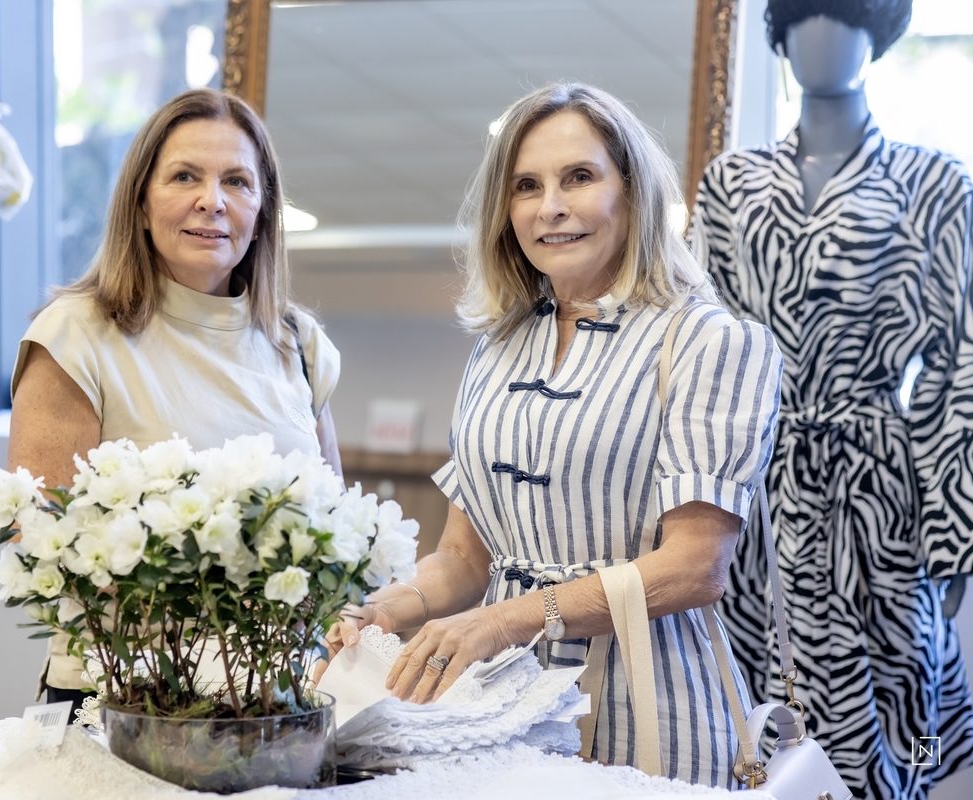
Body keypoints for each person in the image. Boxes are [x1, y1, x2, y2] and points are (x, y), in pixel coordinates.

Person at [318, 82, 782, 787]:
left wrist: (501, 621)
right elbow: (463, 559)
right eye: (527, 186)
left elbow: (695, 568)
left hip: (655, 711)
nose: (550, 207)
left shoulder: (710, 341)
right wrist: (380, 610)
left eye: (579, 177)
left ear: (632, 192)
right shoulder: (496, 349)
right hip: (501, 713)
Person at [689, 1, 973, 796]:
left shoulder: (935, 183)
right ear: (779, 35)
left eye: (846, 16)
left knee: (876, 731)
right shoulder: (732, 185)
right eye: (805, 16)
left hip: (877, 496)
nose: (824, 38)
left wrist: (951, 537)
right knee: (742, 724)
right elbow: (695, 348)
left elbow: (959, 361)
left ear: (877, 32)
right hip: (753, 487)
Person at [7, 88, 342, 709]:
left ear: (262, 210)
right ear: (140, 203)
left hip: (272, 697)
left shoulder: (298, 343)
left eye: (236, 181)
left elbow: (332, 534)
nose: (211, 200)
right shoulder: (75, 334)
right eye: (185, 176)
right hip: (121, 698)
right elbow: (35, 534)